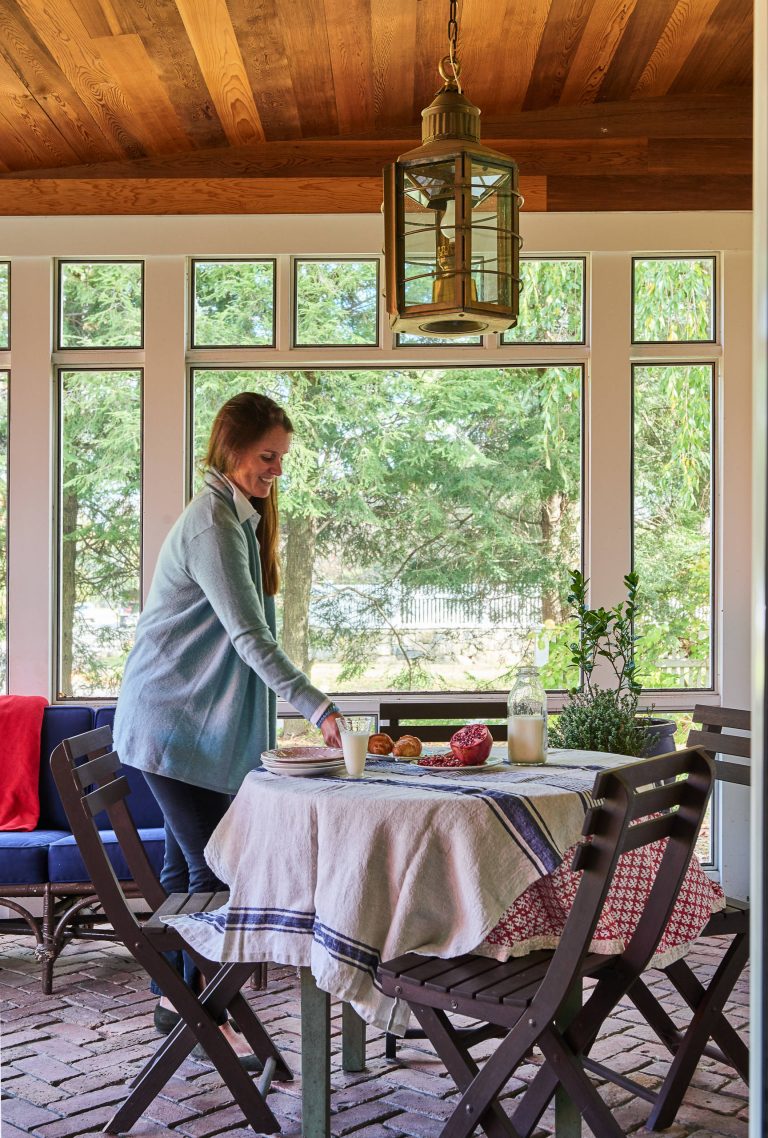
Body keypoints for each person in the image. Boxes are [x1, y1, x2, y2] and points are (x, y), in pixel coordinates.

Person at [114, 392, 342, 1064]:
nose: (276, 469)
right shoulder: (214, 521)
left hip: (178, 725)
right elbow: (248, 636)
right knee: (217, 872)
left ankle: (174, 1004)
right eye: (268, 456)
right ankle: (207, 1017)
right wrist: (319, 706)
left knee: (189, 869)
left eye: (281, 459)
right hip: (170, 725)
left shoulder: (236, 517)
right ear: (231, 447)